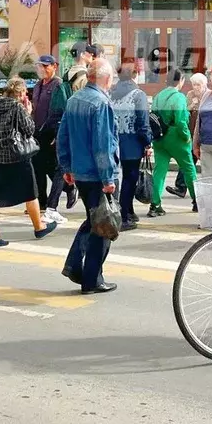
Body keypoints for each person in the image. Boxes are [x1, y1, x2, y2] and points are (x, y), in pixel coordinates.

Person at [58, 59, 120, 295]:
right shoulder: (101, 103)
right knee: (103, 226)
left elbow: (62, 136)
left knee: (93, 220)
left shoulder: (74, 100)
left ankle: (76, 266)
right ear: (106, 78)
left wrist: (67, 166)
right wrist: (108, 179)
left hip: (81, 173)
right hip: (97, 175)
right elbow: (102, 145)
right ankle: (91, 279)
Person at [0, 77, 57, 248]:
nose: (27, 94)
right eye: (25, 91)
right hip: (18, 156)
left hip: (0, 156)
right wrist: (28, 110)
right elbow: (29, 129)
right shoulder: (17, 107)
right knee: (30, 191)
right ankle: (39, 227)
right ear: (19, 93)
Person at [109, 59, 153, 231]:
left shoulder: (111, 91)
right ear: (135, 74)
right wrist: (148, 142)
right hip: (132, 143)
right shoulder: (138, 94)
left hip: (113, 140)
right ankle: (124, 215)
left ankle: (127, 210)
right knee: (129, 179)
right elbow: (143, 122)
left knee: (117, 178)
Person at [31, 55, 75, 224]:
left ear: (54, 66)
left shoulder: (59, 86)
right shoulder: (37, 86)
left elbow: (63, 111)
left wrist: (59, 135)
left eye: (45, 66)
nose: (42, 69)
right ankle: (42, 203)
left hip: (53, 133)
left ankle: (52, 206)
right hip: (38, 133)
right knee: (39, 168)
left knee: (57, 169)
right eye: (39, 66)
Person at [149, 69, 198, 216]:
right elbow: (181, 121)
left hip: (159, 138)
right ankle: (197, 201)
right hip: (176, 138)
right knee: (189, 169)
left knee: (159, 171)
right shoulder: (179, 97)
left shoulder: (158, 96)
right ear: (181, 81)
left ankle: (155, 204)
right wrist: (187, 136)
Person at [170, 73, 208, 199]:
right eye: (194, 84)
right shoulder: (190, 95)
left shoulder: (209, 95)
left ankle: (207, 188)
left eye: (198, 85)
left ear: (204, 85)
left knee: (207, 163)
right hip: (191, 132)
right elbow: (183, 110)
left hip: (205, 133)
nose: (196, 87)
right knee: (187, 160)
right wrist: (192, 105)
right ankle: (181, 187)